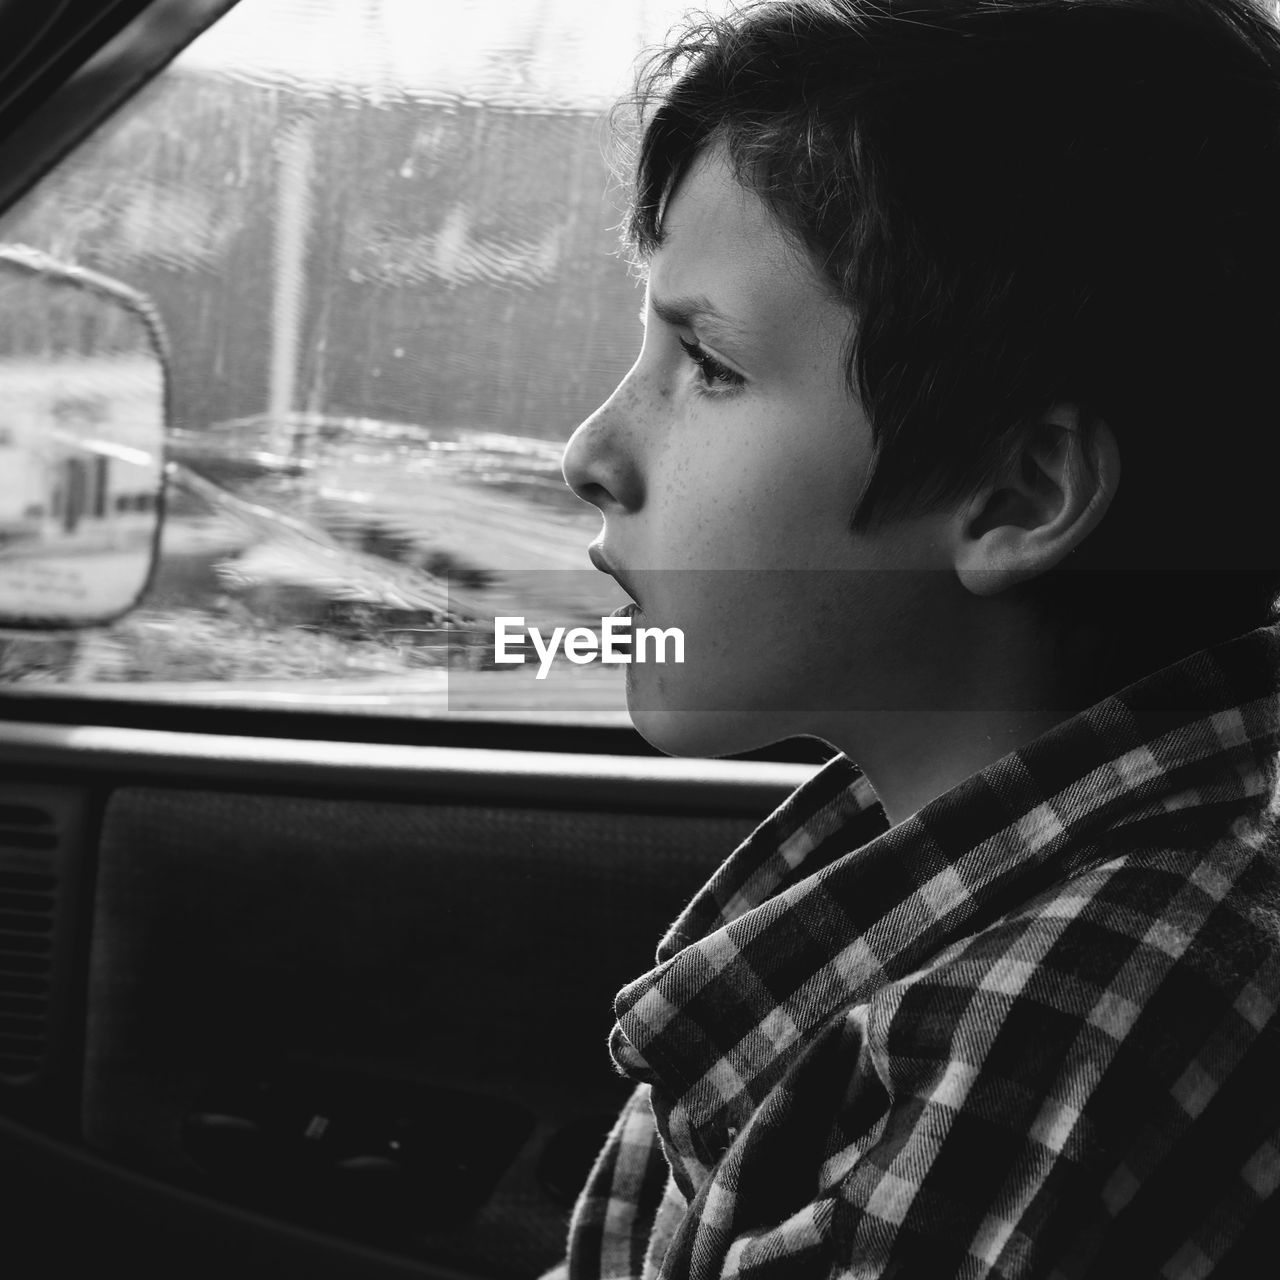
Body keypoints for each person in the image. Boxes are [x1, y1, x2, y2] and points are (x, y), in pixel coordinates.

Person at [553, 0, 1280, 1274]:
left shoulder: (1054, 1023)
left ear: (1015, 498)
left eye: (707, 365)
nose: (591, 454)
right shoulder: (893, 869)